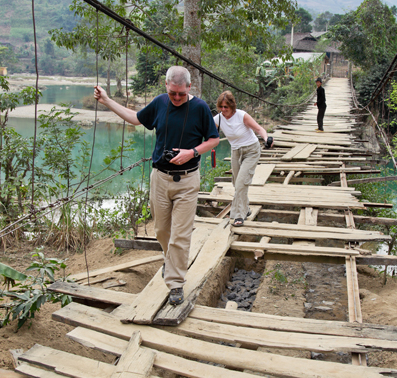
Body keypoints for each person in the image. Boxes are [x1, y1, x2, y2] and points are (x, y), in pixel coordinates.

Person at [94, 66, 219, 306]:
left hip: (187, 179)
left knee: (180, 236)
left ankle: (175, 283)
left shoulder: (201, 108)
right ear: (166, 87)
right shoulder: (160, 103)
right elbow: (135, 118)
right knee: (162, 232)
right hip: (160, 178)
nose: (177, 98)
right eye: (173, 93)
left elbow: (213, 140)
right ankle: (169, 260)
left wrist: (191, 152)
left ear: (189, 88)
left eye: (181, 94)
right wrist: (108, 100)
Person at [214, 90, 273, 227]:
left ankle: (238, 215)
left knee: (241, 182)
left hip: (251, 150)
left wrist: (267, 138)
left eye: (226, 107)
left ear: (232, 106)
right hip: (235, 151)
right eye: (221, 107)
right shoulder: (218, 118)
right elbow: (205, 129)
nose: (223, 110)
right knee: (237, 183)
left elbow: (259, 129)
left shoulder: (242, 116)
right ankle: (245, 209)